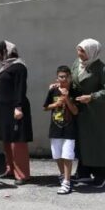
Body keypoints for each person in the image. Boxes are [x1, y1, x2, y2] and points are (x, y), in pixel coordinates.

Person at [0, 40, 33, 185]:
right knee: (7, 139)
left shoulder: (19, 67)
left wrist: (18, 107)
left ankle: (22, 174)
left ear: (6, 52)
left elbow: (20, 88)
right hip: (5, 108)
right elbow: (6, 86)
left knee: (17, 141)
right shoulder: (6, 67)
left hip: (15, 108)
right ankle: (10, 169)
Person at [71, 38, 105, 188]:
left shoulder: (102, 69)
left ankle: (101, 175)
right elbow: (72, 80)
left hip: (94, 112)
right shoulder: (77, 64)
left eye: (82, 51)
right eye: (79, 50)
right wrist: (61, 84)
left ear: (91, 52)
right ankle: (84, 173)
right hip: (78, 109)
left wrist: (92, 97)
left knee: (95, 142)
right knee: (82, 141)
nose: (79, 53)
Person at [43, 65, 80, 194]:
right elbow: (45, 107)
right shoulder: (52, 90)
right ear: (57, 78)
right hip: (55, 128)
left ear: (69, 77)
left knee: (67, 155)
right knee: (57, 155)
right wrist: (56, 104)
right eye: (60, 77)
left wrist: (67, 99)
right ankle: (63, 175)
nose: (63, 79)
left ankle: (67, 182)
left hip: (70, 129)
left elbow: (75, 112)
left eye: (65, 77)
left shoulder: (74, 91)